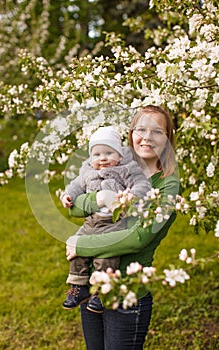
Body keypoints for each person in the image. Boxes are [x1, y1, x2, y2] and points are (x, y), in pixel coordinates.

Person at [65, 105, 181, 350]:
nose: (147, 137)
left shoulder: (168, 185)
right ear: (131, 133)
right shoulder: (114, 163)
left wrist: (81, 244)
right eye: (141, 129)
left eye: (157, 131)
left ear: (168, 139)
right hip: (93, 285)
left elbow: (138, 238)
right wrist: (98, 199)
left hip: (127, 293)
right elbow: (74, 207)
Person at [61, 126, 151, 313]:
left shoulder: (126, 169)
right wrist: (68, 195)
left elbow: (142, 184)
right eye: (97, 155)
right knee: (76, 249)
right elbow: (75, 186)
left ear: (119, 154)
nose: (102, 158)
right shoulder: (86, 172)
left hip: (114, 223)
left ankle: (102, 291)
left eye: (109, 153)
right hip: (91, 222)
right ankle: (78, 286)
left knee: (106, 256)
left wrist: (131, 196)